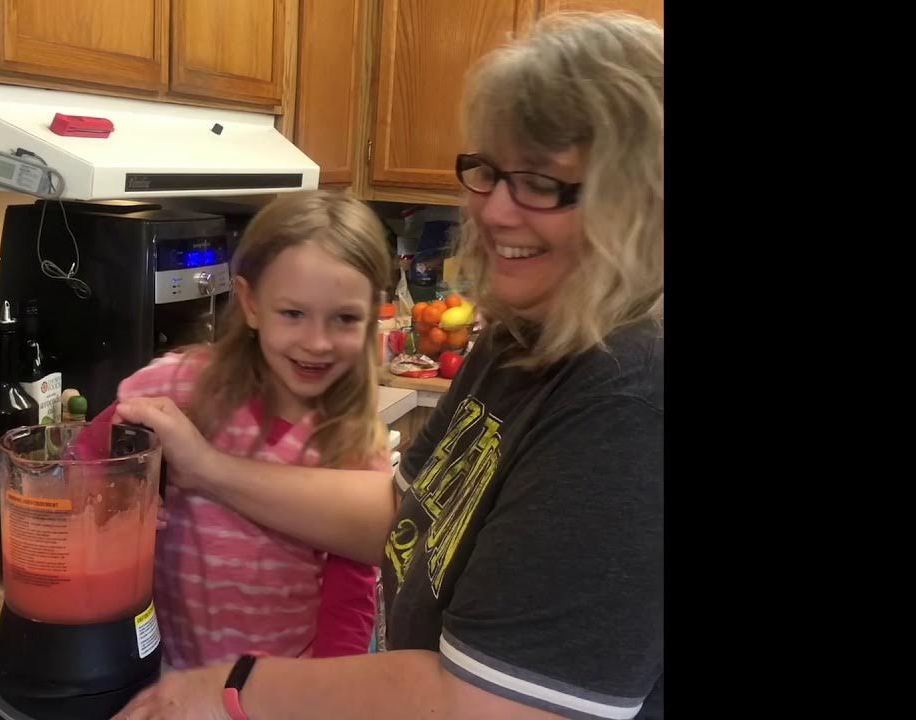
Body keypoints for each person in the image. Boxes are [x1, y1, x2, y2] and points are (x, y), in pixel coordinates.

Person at [113, 11, 664, 720]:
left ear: (638, 200)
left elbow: (486, 706)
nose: (494, 211)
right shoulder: (527, 334)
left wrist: (228, 687)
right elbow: (407, 514)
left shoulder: (633, 395)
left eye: (540, 182)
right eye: (488, 172)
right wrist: (207, 466)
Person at [96, 190, 395, 669]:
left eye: (344, 318)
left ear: (370, 316)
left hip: (277, 691)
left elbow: (350, 601)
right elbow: (89, 461)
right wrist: (120, 490)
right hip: (167, 673)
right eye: (293, 314)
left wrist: (315, 697)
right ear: (251, 303)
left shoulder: (353, 443)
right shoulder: (179, 385)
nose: (317, 343)